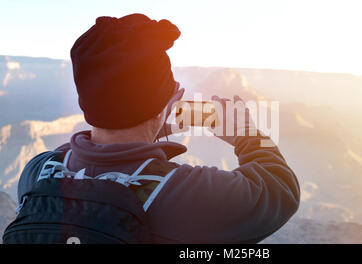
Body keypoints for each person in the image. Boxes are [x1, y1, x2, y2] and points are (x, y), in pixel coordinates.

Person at [3, 13, 300, 244]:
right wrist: (247, 134)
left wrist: (146, 124)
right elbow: (280, 188)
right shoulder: (187, 194)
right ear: (165, 105)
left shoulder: (37, 172)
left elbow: (85, 152)